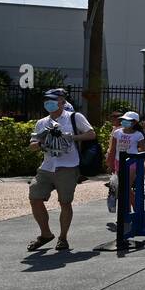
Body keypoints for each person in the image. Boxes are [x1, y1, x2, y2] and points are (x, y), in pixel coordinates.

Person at [27, 91, 95, 252]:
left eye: (52, 100)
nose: (48, 103)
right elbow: (32, 144)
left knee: (65, 203)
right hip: (46, 166)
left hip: (68, 166)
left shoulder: (74, 117)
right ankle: (46, 234)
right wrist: (41, 144)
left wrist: (69, 137)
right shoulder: (41, 122)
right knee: (34, 197)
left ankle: (63, 238)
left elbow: (91, 134)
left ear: (62, 102)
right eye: (46, 100)